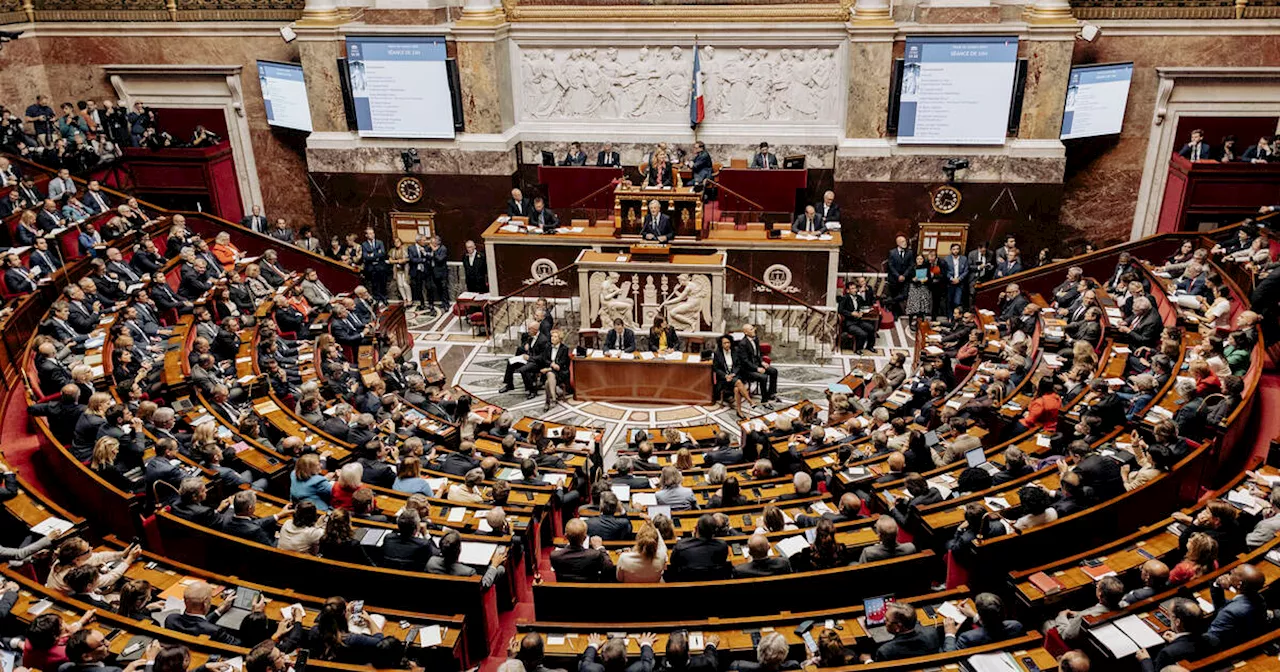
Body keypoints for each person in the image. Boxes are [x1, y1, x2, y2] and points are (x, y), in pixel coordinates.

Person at [1135, 598, 1209, 672]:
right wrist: (1177, 641)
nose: (1168, 614)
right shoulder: (1209, 640)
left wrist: (1145, 661)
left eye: (1171, 615)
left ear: (1177, 622)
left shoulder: (1167, 653)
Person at [1205, 563, 1269, 647]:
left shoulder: (1230, 612)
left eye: (1234, 572)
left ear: (1239, 584)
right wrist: (1217, 585)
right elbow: (1222, 607)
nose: (1231, 571)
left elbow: (1211, 637)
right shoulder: (1259, 599)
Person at [1046, 574, 1125, 642]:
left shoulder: (1084, 617)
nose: (1096, 587)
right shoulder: (1124, 606)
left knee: (1047, 623)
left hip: (1076, 641)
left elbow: (1066, 635)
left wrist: (1062, 616)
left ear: (1100, 594)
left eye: (1097, 586)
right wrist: (1078, 614)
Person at [942, 592, 1025, 650]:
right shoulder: (1016, 626)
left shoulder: (967, 638)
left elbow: (950, 655)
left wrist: (950, 634)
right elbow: (994, 624)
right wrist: (974, 615)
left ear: (981, 618)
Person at [427, 530, 507, 588]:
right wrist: (493, 565)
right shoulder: (468, 572)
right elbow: (484, 585)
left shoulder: (431, 562)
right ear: (459, 550)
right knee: (500, 569)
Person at [667, 514, 731, 581]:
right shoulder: (722, 546)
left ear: (696, 528)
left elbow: (673, 563)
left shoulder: (680, 546)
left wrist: (693, 537)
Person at [872, 602, 940, 661]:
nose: (884, 621)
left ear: (897, 627)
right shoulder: (932, 633)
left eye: (887, 619)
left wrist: (868, 661)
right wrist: (897, 609)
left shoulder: (885, 651)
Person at [737, 323, 778, 405]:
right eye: (751, 329)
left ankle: (771, 393)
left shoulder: (755, 339)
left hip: (757, 364)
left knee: (774, 371)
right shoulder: (742, 344)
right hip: (747, 369)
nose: (754, 330)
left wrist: (762, 362)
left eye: (753, 328)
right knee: (763, 377)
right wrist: (757, 369)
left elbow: (758, 354)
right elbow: (745, 361)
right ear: (745, 332)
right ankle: (764, 400)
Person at [580, 632, 657, 672]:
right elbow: (647, 661)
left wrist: (593, 645)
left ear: (602, 659)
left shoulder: (589, 669)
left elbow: (586, 661)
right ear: (626, 659)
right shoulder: (641, 668)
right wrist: (645, 643)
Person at [359, 227, 389, 303]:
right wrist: (376, 253)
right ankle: (377, 299)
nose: (372, 235)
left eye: (373, 233)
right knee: (374, 284)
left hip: (381, 266)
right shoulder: (364, 244)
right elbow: (365, 256)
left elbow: (382, 254)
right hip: (371, 267)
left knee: (383, 283)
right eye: (370, 233)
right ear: (366, 235)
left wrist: (371, 254)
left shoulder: (380, 242)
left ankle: (384, 298)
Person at [427, 235, 450, 314]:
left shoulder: (443, 249)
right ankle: (435, 303)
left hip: (442, 272)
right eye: (431, 243)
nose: (432, 244)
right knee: (436, 288)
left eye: (433, 243)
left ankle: (446, 304)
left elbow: (440, 259)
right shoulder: (430, 248)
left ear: (438, 242)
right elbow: (427, 256)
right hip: (433, 272)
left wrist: (434, 251)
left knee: (444, 288)